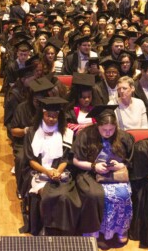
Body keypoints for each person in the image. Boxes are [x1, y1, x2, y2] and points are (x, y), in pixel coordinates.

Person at [23, 97, 103, 236]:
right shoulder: (32, 132)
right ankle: (48, 228)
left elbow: (66, 158)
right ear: (43, 114)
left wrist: (57, 172)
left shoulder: (66, 133)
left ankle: (65, 231)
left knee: (66, 197)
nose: (52, 119)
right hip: (38, 173)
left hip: (61, 173)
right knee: (49, 196)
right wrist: (47, 172)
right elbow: (31, 160)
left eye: (55, 116)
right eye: (49, 115)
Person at [71, 106, 133, 246]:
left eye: (111, 130)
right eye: (104, 130)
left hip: (114, 174)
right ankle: (94, 231)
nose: (108, 133)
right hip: (89, 172)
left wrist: (121, 165)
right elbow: (75, 160)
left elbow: (130, 160)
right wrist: (94, 166)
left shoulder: (123, 136)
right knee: (95, 195)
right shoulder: (85, 134)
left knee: (123, 193)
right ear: (97, 126)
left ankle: (118, 230)